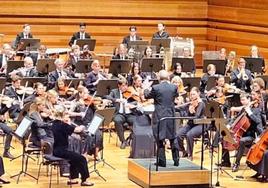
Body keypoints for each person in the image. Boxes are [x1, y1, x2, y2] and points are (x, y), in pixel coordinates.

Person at [143, 70, 179, 167]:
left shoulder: (156, 88)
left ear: (159, 78)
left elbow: (147, 96)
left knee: (159, 138)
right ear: (168, 78)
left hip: (159, 116)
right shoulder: (174, 87)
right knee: (173, 137)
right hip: (170, 115)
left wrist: (145, 88)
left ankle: (162, 162)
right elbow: (176, 96)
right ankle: (176, 160)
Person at [51, 105, 94, 186]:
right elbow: (77, 130)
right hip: (61, 151)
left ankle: (73, 179)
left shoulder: (54, 123)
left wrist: (68, 123)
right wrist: (82, 126)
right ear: (62, 115)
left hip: (56, 149)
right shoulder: (62, 125)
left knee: (74, 159)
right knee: (82, 159)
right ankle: (85, 180)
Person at [220, 93, 263, 172]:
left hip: (251, 135)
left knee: (242, 141)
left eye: (243, 100)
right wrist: (230, 125)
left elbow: (258, 121)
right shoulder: (243, 109)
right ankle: (226, 161)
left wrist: (250, 113)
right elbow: (236, 118)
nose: (242, 102)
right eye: (241, 100)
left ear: (249, 100)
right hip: (240, 133)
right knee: (223, 136)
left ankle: (236, 163)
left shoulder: (256, 110)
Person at [176, 87, 206, 160]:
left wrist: (191, 111)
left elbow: (197, 116)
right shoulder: (191, 103)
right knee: (178, 134)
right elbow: (180, 108)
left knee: (189, 134)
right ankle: (183, 151)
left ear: (198, 94)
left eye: (194, 94)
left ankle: (190, 154)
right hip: (191, 124)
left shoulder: (201, 103)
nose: (192, 96)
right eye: (191, 94)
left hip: (200, 124)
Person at [106, 76, 135, 149]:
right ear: (119, 86)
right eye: (123, 86)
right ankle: (123, 141)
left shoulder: (130, 92)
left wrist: (131, 105)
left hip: (129, 114)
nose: (125, 87)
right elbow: (108, 97)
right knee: (117, 120)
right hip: (119, 114)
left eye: (126, 85)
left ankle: (130, 138)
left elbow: (135, 101)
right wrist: (117, 100)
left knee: (137, 122)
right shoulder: (114, 91)